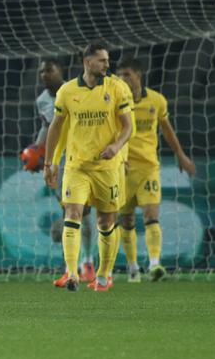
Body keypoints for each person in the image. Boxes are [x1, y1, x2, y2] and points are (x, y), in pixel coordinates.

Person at [43, 43, 133, 292]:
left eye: (107, 60)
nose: (107, 64)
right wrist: (50, 163)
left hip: (107, 167)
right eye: (102, 60)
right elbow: (56, 128)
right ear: (87, 62)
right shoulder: (67, 91)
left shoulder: (117, 88)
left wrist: (116, 147)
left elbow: (128, 126)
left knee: (105, 222)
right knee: (72, 214)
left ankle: (103, 275)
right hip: (76, 166)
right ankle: (72, 272)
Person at [116, 57, 196, 282]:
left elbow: (167, 129)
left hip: (149, 167)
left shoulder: (157, 101)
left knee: (152, 215)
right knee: (127, 220)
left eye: (127, 74)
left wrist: (181, 155)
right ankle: (132, 267)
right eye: (120, 75)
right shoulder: (116, 102)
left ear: (138, 76)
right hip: (124, 168)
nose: (122, 79)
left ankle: (154, 264)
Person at [34, 59, 97, 284]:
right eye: (41, 71)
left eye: (49, 69)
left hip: (85, 157)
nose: (44, 74)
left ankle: (87, 262)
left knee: (84, 211)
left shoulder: (74, 90)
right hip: (61, 162)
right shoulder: (42, 100)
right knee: (73, 211)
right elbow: (47, 127)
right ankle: (73, 266)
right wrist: (36, 149)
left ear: (60, 70)